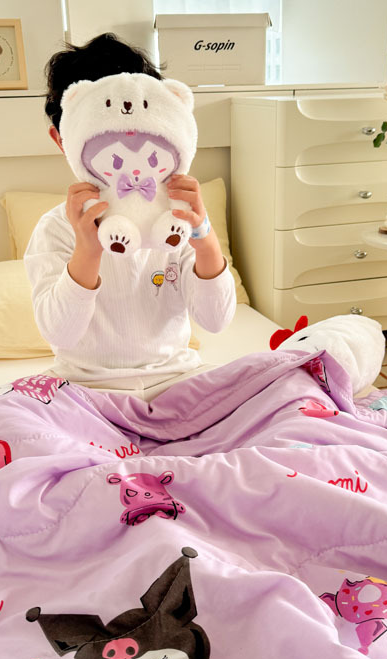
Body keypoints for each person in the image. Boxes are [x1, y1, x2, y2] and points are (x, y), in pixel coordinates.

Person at [24, 33, 236, 400]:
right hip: (85, 393)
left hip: (175, 382)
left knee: (281, 390)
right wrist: (87, 250)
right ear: (62, 139)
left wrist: (204, 235)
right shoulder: (55, 228)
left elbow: (215, 319)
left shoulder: (178, 221)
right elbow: (61, 333)